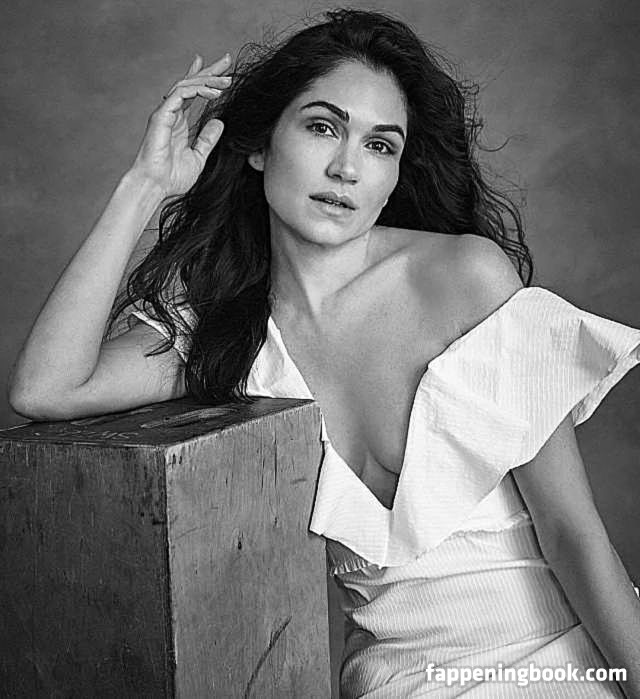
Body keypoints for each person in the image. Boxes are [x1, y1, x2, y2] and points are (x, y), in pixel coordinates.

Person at [8, 8, 640, 697]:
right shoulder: (229, 338)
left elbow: (574, 535)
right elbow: (48, 390)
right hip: (394, 684)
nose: (346, 168)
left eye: (380, 145)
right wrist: (144, 188)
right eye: (322, 127)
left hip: (566, 664)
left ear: (396, 174)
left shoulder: (465, 279)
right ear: (259, 146)